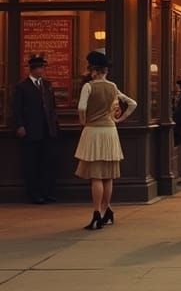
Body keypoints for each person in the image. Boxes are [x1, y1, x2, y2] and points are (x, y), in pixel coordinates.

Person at [75, 51, 137, 230]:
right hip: (110, 131)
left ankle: (96, 213)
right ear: (105, 70)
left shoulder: (89, 86)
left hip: (93, 131)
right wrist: (120, 119)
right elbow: (132, 103)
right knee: (108, 175)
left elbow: (81, 107)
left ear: (93, 70)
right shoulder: (112, 87)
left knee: (96, 176)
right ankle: (107, 209)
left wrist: (83, 121)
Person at [13, 55, 61, 204]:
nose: (42, 70)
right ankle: (35, 194)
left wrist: (55, 125)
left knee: (47, 163)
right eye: (40, 68)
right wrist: (20, 125)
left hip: (47, 130)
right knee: (32, 164)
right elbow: (17, 108)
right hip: (31, 130)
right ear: (33, 69)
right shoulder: (22, 86)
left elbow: (52, 107)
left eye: (43, 67)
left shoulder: (47, 85)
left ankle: (47, 192)